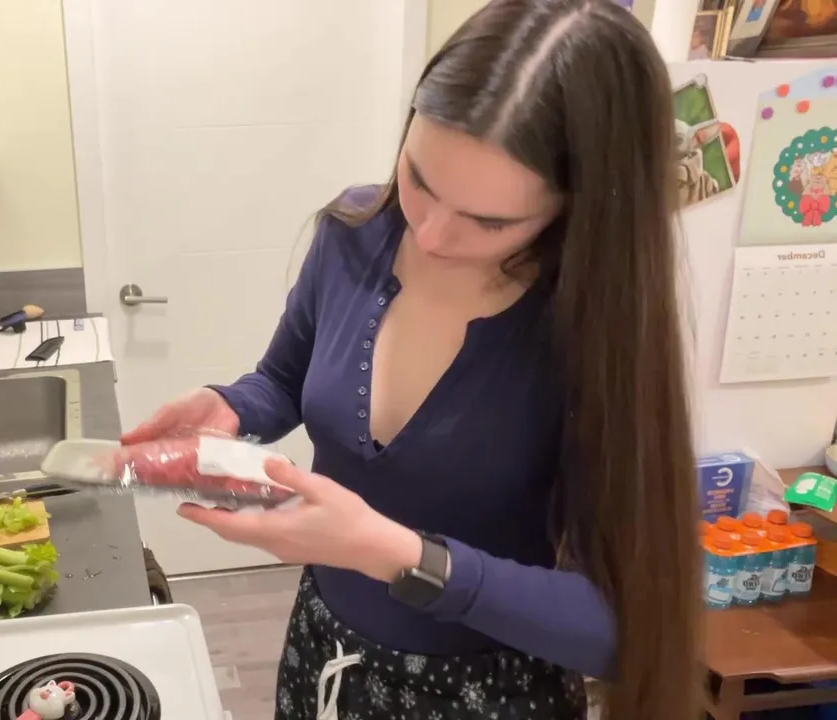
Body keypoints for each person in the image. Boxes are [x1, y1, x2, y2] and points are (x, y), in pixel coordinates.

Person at [122, 1, 700, 718]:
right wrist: (231, 408)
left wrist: (396, 554)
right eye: (419, 179)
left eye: (489, 221)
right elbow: (284, 380)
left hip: (487, 695)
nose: (428, 235)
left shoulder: (592, 330)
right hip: (324, 655)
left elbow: (621, 629)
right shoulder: (354, 232)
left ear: (578, 204)